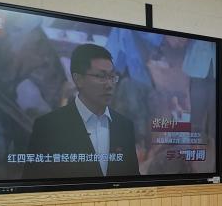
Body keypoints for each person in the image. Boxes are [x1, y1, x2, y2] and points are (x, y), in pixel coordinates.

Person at [23, 43, 140, 179]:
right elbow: (33, 180)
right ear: (78, 80)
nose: (109, 85)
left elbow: (132, 179)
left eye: (112, 77)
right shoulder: (47, 126)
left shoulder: (124, 126)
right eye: (101, 76)